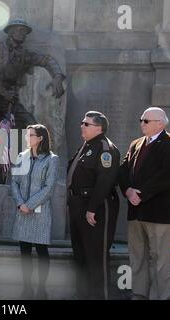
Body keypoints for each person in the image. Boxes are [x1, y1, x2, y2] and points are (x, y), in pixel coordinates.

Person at [119, 107, 170, 300]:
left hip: (160, 213)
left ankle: (159, 297)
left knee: (160, 260)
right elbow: (123, 171)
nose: (142, 123)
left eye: (146, 120)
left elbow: (167, 176)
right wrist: (128, 190)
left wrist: (142, 194)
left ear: (160, 123)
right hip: (136, 212)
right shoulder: (136, 144)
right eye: (141, 120)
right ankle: (139, 294)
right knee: (137, 257)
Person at [0, 19, 65, 130]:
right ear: (10, 32)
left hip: (9, 101)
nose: (23, 34)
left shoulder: (24, 54)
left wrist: (57, 76)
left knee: (31, 124)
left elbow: (47, 60)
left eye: (25, 32)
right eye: (20, 30)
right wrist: (3, 92)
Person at [67, 111, 120, 299]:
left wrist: (91, 209)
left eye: (86, 124)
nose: (82, 126)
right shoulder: (87, 146)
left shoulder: (105, 148)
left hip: (96, 208)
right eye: (82, 122)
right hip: (78, 206)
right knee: (80, 254)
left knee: (96, 256)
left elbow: (104, 181)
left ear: (99, 128)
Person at [10, 124, 59, 300]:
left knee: (41, 251)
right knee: (24, 252)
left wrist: (30, 204)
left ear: (40, 138)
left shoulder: (51, 159)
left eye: (31, 135)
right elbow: (14, 182)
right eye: (27, 135)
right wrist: (20, 203)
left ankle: (41, 290)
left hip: (40, 213)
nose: (27, 138)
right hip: (22, 212)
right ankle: (27, 289)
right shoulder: (21, 156)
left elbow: (49, 187)